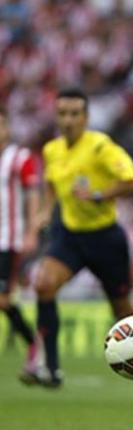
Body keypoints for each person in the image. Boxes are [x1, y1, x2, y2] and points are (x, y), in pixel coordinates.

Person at [24, 88, 133, 387]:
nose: (68, 120)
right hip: (69, 236)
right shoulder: (52, 150)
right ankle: (50, 369)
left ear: (86, 117)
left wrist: (98, 195)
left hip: (105, 238)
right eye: (63, 114)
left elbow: (132, 181)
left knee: (123, 311)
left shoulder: (100, 147)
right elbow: (52, 185)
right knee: (44, 285)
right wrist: (44, 211)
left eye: (74, 114)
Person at [0, 108, 41, 377]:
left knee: (3, 299)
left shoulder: (19, 158)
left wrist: (32, 231)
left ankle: (34, 345)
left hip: (9, 238)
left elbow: (33, 194)